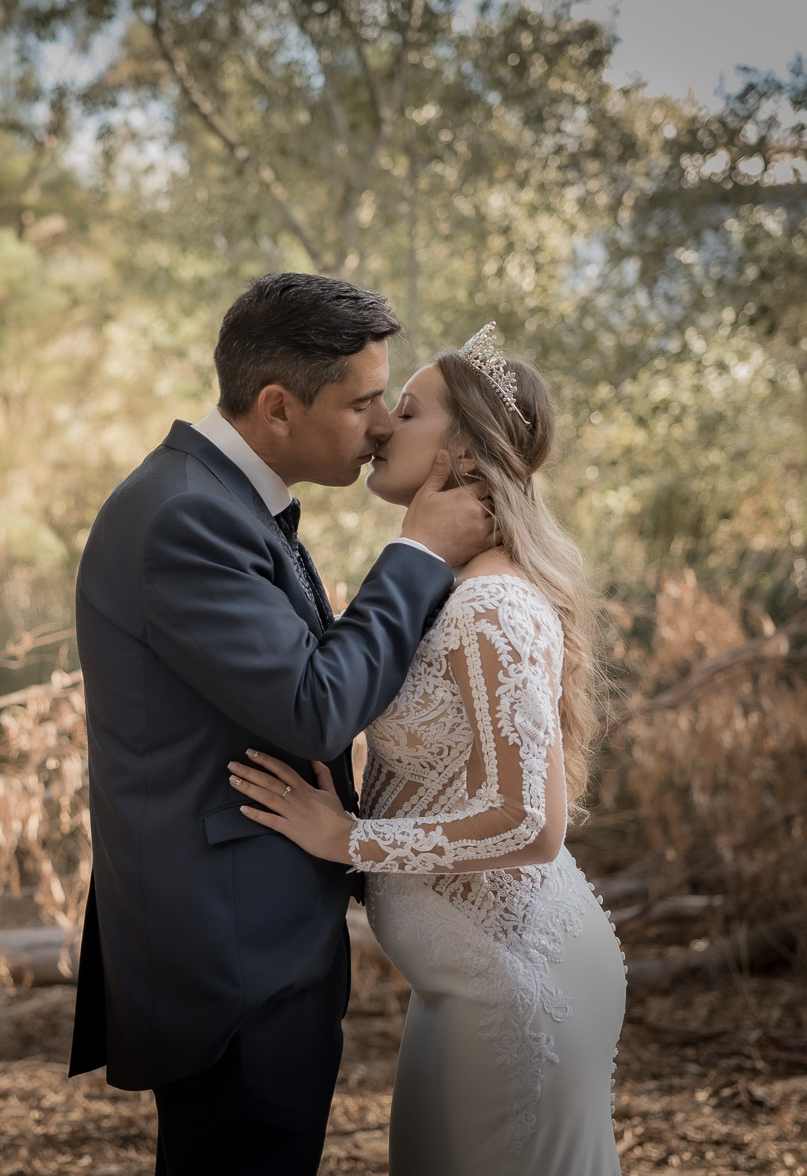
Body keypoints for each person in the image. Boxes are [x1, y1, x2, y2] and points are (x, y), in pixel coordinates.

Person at [67, 273, 496, 1175]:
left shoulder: (213, 499)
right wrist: (417, 553)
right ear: (275, 406)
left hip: (247, 935)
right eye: (363, 401)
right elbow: (315, 706)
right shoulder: (188, 515)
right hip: (234, 958)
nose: (382, 424)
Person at [228, 323, 627, 1175]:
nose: (379, 426)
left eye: (405, 412)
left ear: (467, 453)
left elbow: (531, 823)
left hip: (514, 985)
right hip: (466, 980)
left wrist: (348, 840)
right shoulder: (445, 589)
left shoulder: (490, 607)